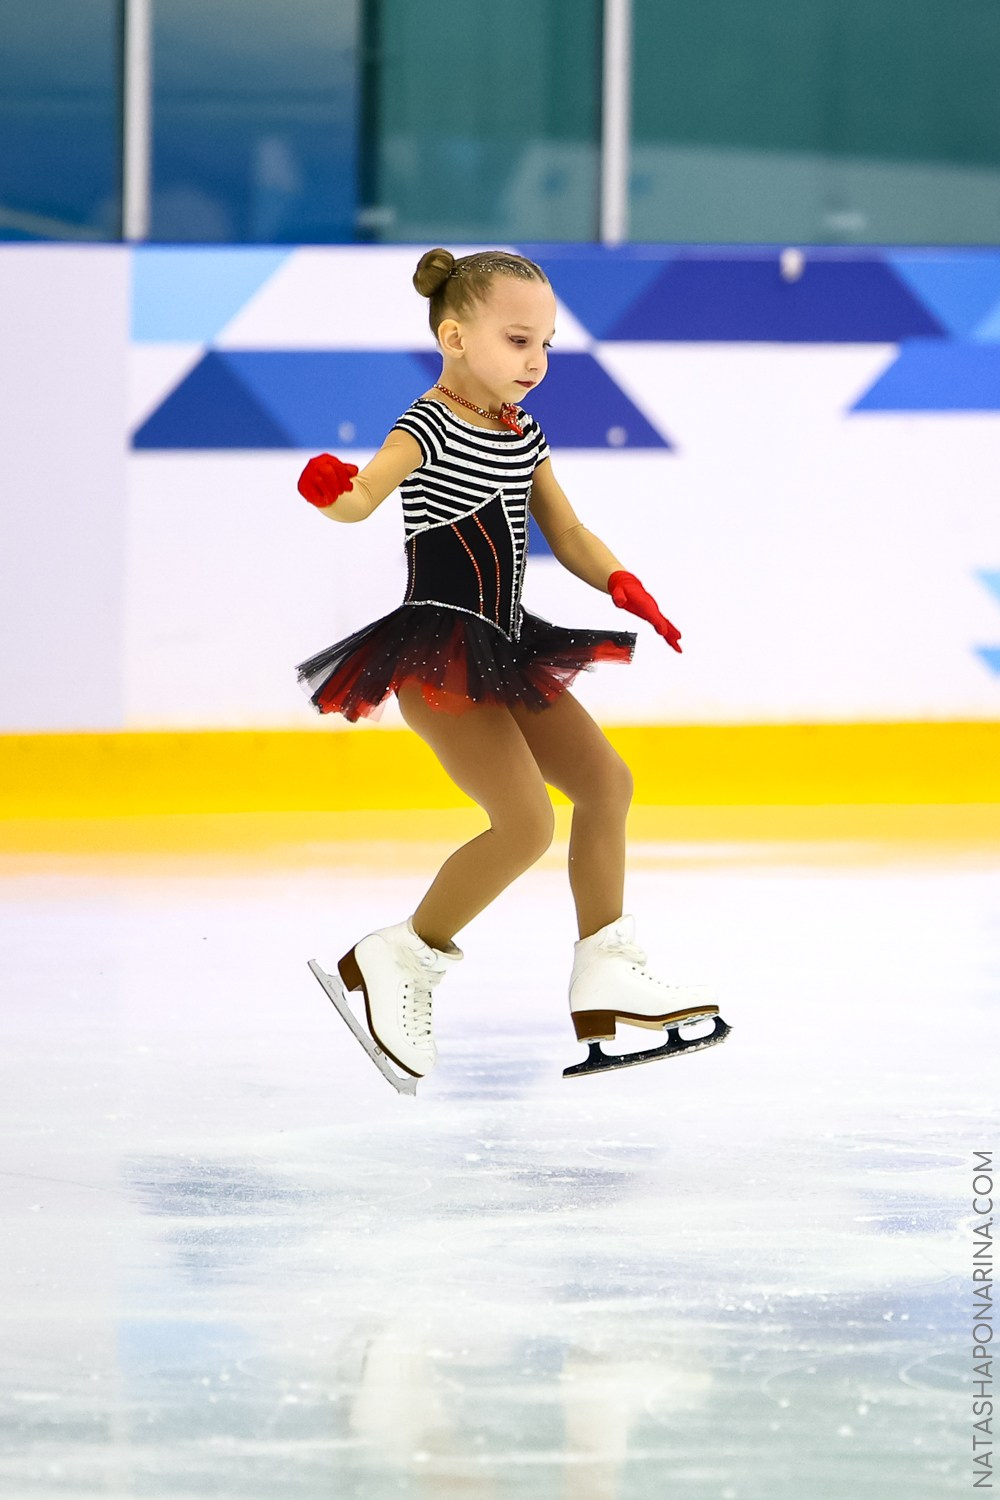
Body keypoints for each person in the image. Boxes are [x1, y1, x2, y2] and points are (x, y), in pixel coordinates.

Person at [296, 248, 727, 1087]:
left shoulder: (522, 433)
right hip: (438, 651)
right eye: (518, 339)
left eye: (547, 345)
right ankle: (402, 954)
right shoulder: (427, 425)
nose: (536, 361)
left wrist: (620, 581)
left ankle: (606, 968)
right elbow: (365, 495)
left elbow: (566, 532)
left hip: (509, 640)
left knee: (606, 785)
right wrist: (333, 491)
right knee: (526, 824)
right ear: (455, 338)